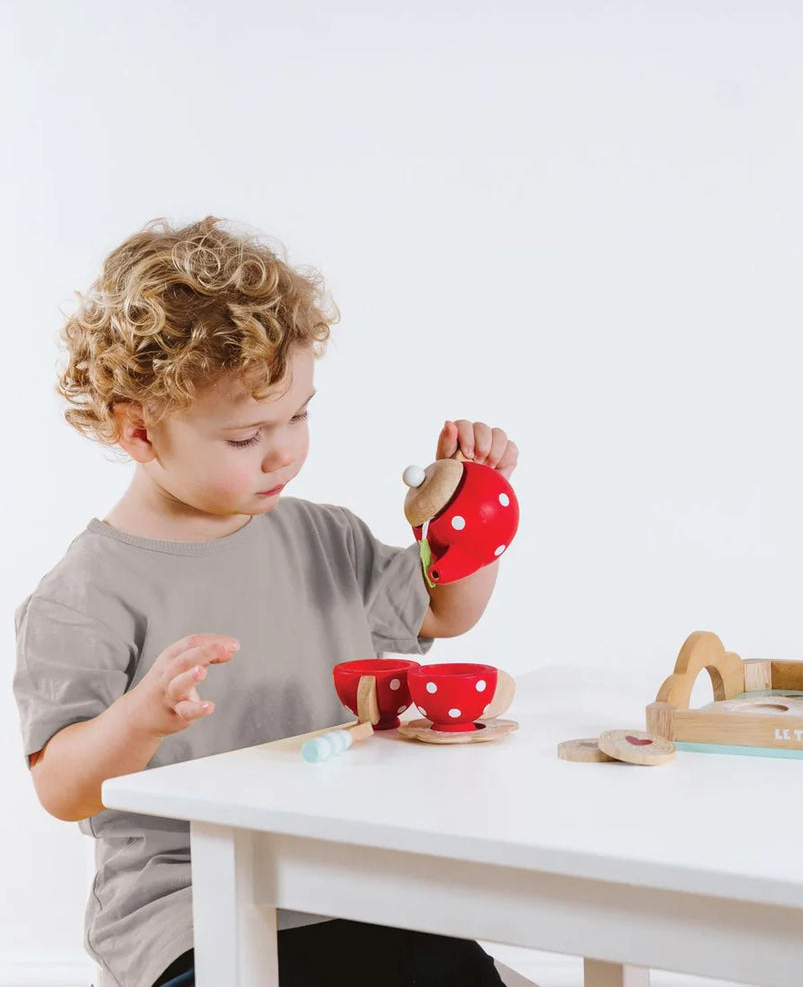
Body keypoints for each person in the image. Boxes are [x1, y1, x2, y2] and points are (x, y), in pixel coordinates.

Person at [12, 217, 517, 987]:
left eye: (299, 416)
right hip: (194, 903)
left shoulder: (321, 536)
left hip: (351, 882)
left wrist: (472, 518)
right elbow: (61, 786)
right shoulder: (85, 595)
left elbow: (443, 613)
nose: (285, 452)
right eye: (247, 437)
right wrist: (136, 721)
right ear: (140, 433)